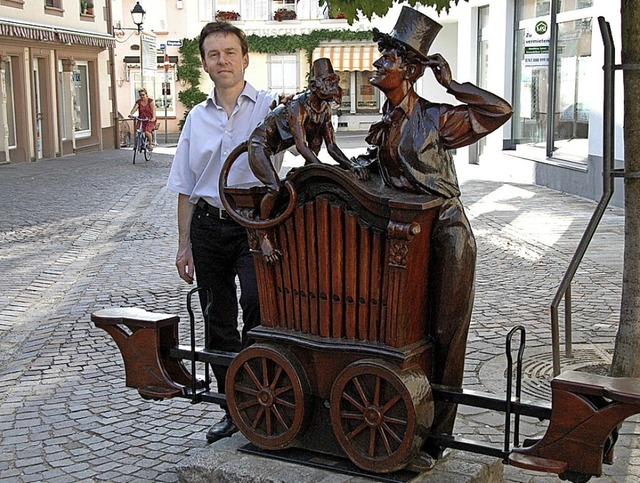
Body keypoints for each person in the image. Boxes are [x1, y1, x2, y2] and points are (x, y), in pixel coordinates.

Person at [354, 6, 512, 461]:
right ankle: (405, 424)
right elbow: (383, 172)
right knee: (403, 333)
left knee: (446, 333)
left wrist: (453, 84)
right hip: (404, 235)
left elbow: (499, 111)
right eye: (380, 56)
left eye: (386, 59)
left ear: (410, 71)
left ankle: (437, 437)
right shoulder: (385, 119)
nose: (377, 64)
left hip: (445, 234)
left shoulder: (437, 117)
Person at [166, 22, 284, 444]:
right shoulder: (196, 118)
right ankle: (231, 407)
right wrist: (184, 245)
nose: (223, 61)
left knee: (257, 306)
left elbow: (304, 136)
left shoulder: (270, 107)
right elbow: (184, 186)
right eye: (214, 55)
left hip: (254, 226)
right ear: (205, 64)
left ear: (245, 58)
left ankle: (262, 398)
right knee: (218, 316)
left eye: (230, 52)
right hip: (208, 226)